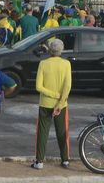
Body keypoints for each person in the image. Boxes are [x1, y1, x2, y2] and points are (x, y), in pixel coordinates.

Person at [32, 39, 72, 170]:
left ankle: (39, 161)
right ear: (61, 50)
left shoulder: (43, 63)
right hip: (61, 104)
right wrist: (60, 102)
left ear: (49, 50)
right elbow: (67, 86)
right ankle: (65, 159)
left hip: (45, 103)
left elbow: (38, 86)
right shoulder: (66, 64)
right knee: (62, 132)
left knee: (42, 132)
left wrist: (53, 94)